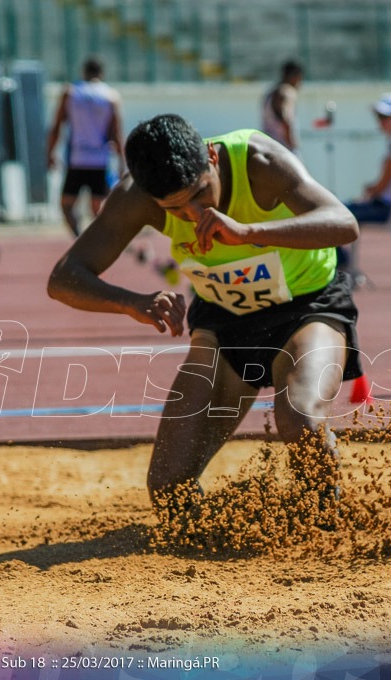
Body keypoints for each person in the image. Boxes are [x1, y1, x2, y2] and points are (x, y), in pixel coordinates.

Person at [47, 114, 362, 517]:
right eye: (175, 210)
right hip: (225, 318)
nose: (195, 215)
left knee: (300, 418)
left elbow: (343, 223)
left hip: (306, 305)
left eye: (201, 194)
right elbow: (63, 278)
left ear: (212, 157)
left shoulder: (258, 160)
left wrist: (249, 233)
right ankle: (230, 535)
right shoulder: (135, 195)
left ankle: (327, 524)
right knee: (168, 488)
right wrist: (131, 302)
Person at [340, 93, 391, 286]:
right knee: (341, 209)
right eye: (378, 116)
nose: (380, 121)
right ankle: (344, 265)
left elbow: (381, 185)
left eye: (384, 117)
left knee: (335, 214)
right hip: (390, 206)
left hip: (386, 209)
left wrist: (369, 192)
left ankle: (342, 265)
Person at [47, 57, 124, 237]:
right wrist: (122, 161)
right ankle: (102, 241)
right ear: (101, 73)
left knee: (66, 205)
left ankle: (79, 238)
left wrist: (49, 153)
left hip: (77, 159)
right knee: (97, 208)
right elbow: (116, 133)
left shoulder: (71, 92)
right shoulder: (111, 96)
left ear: (84, 72)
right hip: (99, 159)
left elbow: (57, 126)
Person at [261, 60, 304, 154]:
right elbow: (286, 120)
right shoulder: (287, 92)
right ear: (294, 76)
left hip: (266, 146)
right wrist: (293, 147)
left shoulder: (270, 93)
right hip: (282, 149)